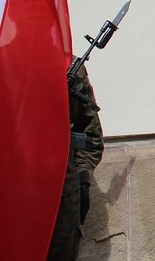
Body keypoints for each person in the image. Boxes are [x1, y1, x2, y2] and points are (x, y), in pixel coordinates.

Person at [47, 66, 104, 261]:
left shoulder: (68, 68)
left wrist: (83, 180)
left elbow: (88, 135)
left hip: (61, 198)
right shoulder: (6, 61)